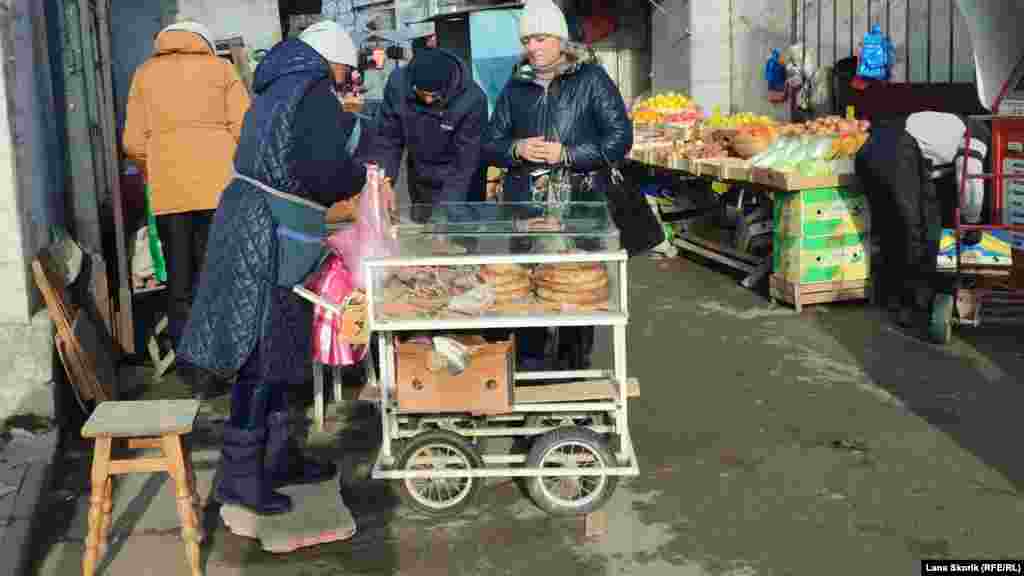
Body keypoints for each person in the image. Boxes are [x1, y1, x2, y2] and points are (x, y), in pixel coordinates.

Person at [176, 20, 366, 516]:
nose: (347, 80)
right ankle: (239, 476)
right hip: (270, 234)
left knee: (278, 348)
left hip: (253, 222)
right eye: (346, 70)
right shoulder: (315, 91)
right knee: (261, 354)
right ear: (333, 61)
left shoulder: (279, 84)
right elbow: (325, 171)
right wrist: (357, 172)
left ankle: (278, 457)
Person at [482, 0, 662, 371]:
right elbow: (490, 142)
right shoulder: (516, 86)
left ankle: (573, 368)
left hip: (579, 203)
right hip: (526, 206)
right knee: (529, 287)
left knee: (577, 291)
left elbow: (619, 139)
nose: (534, 47)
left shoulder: (591, 79)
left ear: (561, 40)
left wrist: (567, 153)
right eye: (528, 39)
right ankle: (530, 367)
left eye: (542, 38)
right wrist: (516, 148)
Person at [122, 17, 250, 400]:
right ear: (205, 43)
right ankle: (223, 362)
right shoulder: (222, 69)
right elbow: (245, 128)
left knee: (179, 282)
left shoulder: (144, 75)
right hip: (218, 193)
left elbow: (132, 142)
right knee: (217, 276)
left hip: (169, 195)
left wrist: (156, 162)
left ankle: (193, 370)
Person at [856, 111, 989, 335]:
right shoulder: (979, 134)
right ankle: (916, 308)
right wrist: (972, 222)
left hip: (869, 151)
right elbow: (969, 182)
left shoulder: (952, 123)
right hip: (899, 153)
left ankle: (891, 297)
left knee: (890, 228)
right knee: (915, 231)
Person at [371, 46, 488, 221]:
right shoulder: (398, 85)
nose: (427, 100)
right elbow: (388, 137)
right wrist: (384, 180)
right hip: (421, 177)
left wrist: (445, 213)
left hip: (461, 183)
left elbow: (465, 162)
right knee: (424, 236)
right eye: (422, 94)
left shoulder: (473, 100)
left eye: (434, 96)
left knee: (456, 238)